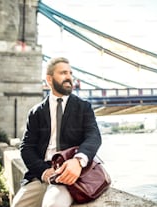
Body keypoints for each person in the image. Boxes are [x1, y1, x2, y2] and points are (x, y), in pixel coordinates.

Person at [12, 57, 102, 207]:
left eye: (70, 73)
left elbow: (94, 136)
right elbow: (26, 147)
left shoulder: (84, 107)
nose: (69, 77)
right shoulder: (36, 112)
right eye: (63, 73)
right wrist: (43, 172)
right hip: (41, 173)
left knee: (52, 205)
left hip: (69, 175)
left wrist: (78, 161)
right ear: (49, 79)